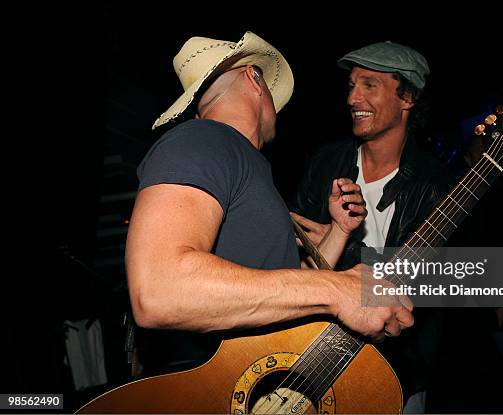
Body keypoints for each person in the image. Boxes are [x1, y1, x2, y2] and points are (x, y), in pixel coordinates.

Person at [125, 32, 414, 377]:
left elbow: (283, 293)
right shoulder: (204, 139)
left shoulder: (245, 165)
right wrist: (338, 288)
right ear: (254, 78)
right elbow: (160, 289)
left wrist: (339, 231)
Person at [291, 41, 453, 413]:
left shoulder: (435, 183)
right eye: (351, 85)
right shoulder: (326, 160)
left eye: (369, 85)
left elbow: (424, 286)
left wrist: (338, 244)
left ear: (407, 98)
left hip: (397, 367)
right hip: (313, 350)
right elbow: (293, 250)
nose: (353, 97)